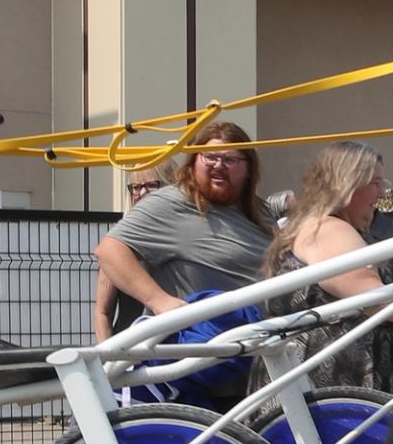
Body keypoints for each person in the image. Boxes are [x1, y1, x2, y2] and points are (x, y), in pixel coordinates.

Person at [252, 141, 393, 395]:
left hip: (334, 393)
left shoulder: (319, 228)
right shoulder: (326, 230)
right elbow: (373, 299)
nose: (382, 194)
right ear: (346, 184)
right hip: (332, 397)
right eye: (375, 183)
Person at [95, 122, 271, 328]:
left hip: (269, 339)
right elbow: (109, 250)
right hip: (208, 343)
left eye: (230, 159)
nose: (219, 165)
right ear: (194, 162)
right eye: (210, 157)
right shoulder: (172, 203)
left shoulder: (261, 211)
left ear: (248, 168)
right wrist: (159, 301)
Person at [92, 162, 173, 344]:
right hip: (128, 350)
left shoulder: (185, 235)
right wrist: (109, 357)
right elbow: (102, 313)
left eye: (151, 185)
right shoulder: (118, 244)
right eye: (136, 187)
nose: (142, 193)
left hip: (177, 347)